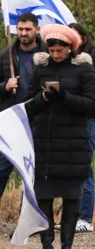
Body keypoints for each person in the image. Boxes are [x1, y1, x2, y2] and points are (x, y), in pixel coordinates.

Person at [24, 24, 95, 249]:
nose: (56, 55)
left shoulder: (84, 70)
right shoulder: (40, 69)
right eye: (53, 50)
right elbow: (28, 105)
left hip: (74, 143)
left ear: (71, 48)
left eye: (61, 50)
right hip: (45, 143)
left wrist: (64, 95)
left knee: (71, 198)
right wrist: (43, 98)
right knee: (44, 196)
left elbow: (92, 103)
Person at [68, 23, 95, 233]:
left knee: (84, 167)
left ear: (83, 38)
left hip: (88, 119)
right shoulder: (65, 58)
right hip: (68, 120)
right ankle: (71, 216)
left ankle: (85, 218)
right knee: (69, 168)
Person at [0, 13, 46, 198]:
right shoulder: (6, 56)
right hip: (11, 121)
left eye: (27, 29)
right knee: (2, 168)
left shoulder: (47, 56)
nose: (23, 33)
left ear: (37, 29)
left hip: (38, 120)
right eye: (20, 29)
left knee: (34, 174)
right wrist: (5, 86)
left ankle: (28, 223)